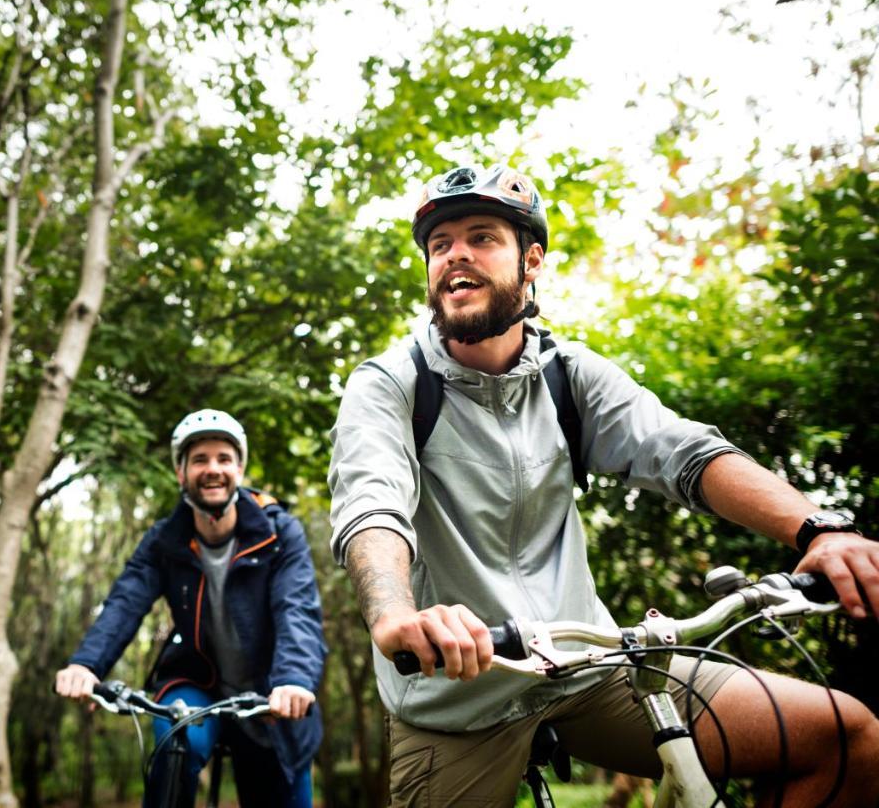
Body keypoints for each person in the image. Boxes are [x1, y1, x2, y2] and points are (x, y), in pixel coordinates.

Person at [328, 162, 879, 806]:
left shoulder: (570, 374)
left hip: (588, 668)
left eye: (482, 237)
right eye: (440, 244)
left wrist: (819, 529)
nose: (456, 256)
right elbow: (373, 506)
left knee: (850, 736)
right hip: (459, 691)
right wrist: (397, 617)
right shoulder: (391, 383)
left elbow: (681, 451)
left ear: (530, 261)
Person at [55, 409, 326, 807]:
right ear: (181, 472)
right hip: (198, 679)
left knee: (282, 786)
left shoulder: (279, 532)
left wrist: (293, 680)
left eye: (223, 459)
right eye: (199, 459)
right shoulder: (165, 539)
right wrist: (86, 665)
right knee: (175, 736)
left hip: (274, 689)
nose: (212, 469)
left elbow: (296, 609)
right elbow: (125, 602)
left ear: (239, 468)